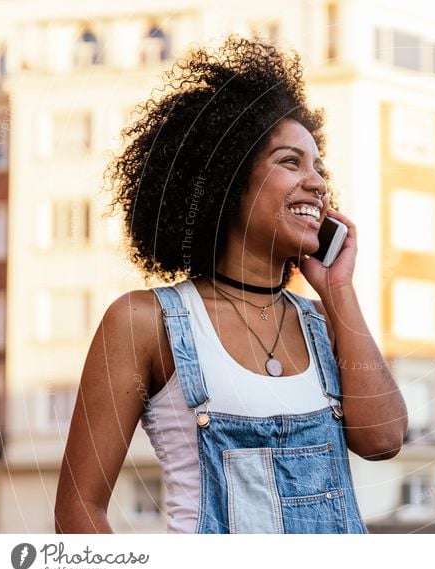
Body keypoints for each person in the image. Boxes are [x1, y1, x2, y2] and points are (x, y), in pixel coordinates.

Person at [54, 35, 408, 534]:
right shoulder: (143, 322)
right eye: (291, 162)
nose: (318, 183)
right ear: (228, 178)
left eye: (319, 168)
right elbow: (77, 510)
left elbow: (384, 439)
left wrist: (338, 290)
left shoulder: (323, 321)